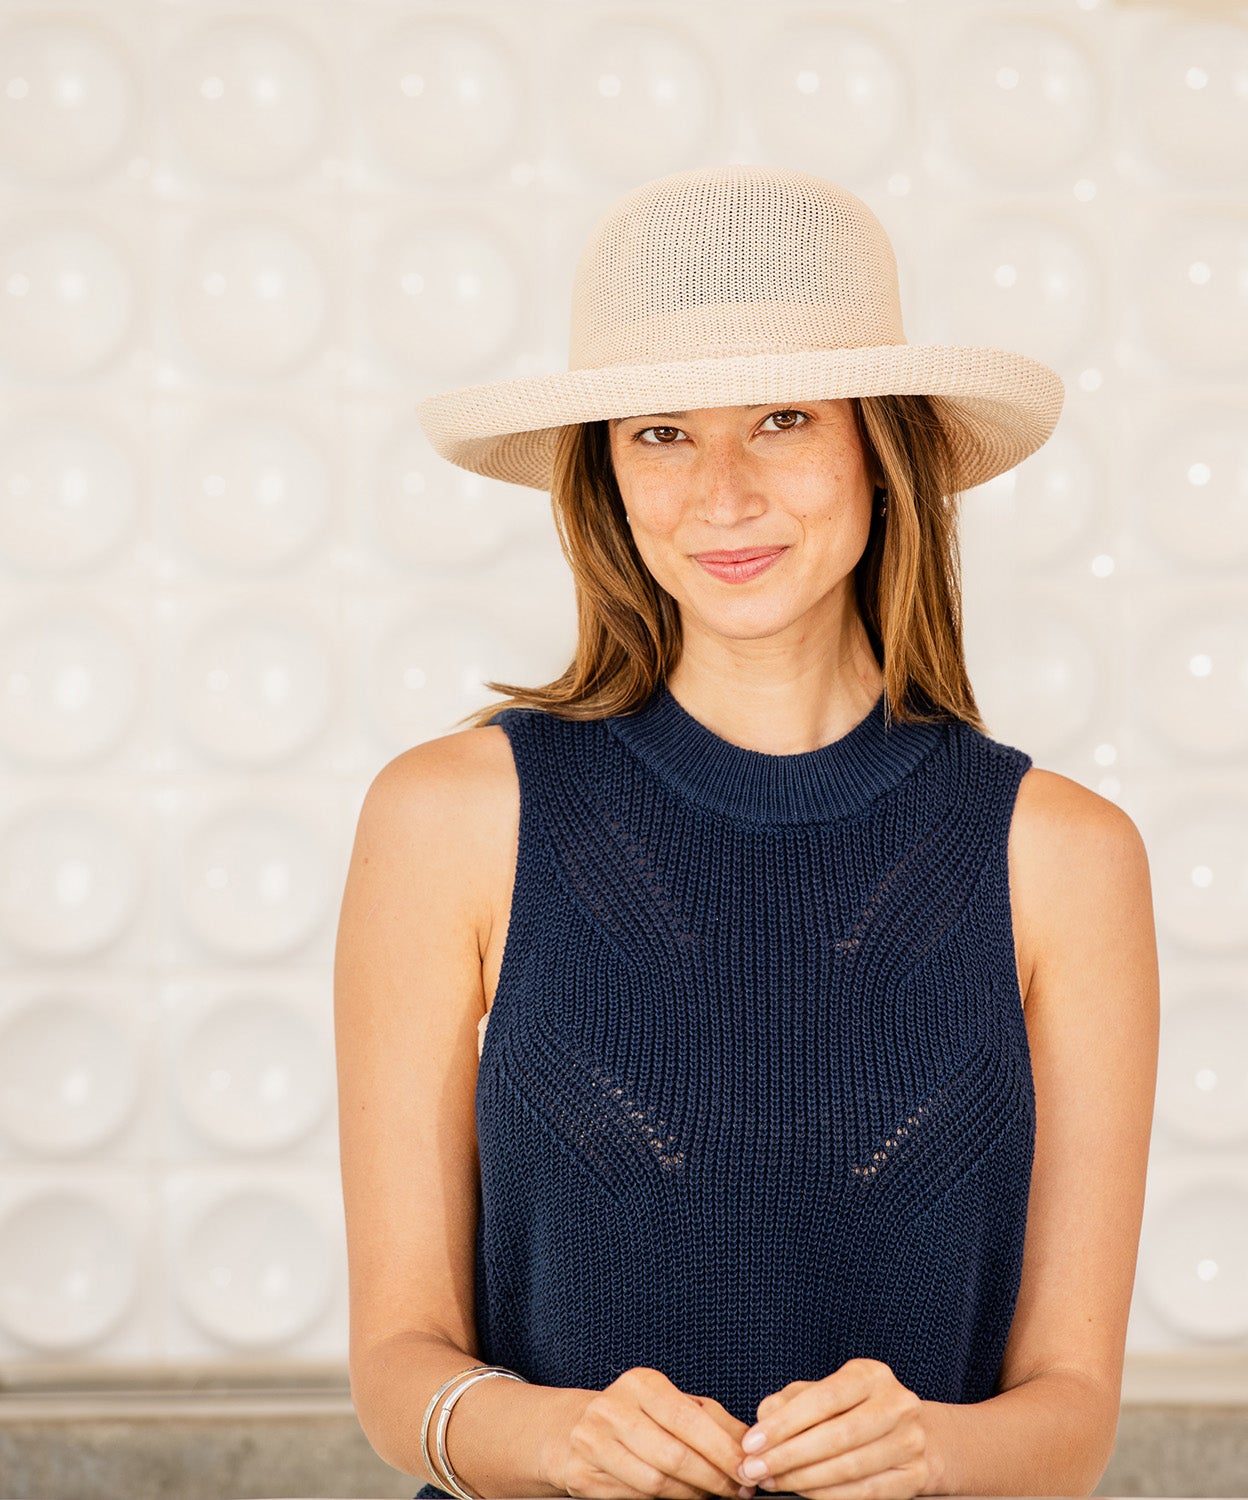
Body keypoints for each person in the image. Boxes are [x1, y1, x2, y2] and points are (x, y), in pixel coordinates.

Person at [334, 164, 1158, 1500]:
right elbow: (395, 1366)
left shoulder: (1062, 858)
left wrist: (933, 1449)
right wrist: (550, 1437)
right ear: (604, 470)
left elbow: (1072, 1417)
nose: (720, 493)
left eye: (782, 419)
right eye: (660, 432)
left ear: (878, 452)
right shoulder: (448, 820)